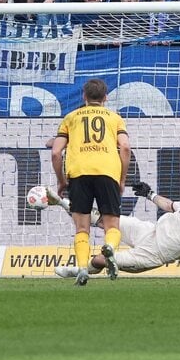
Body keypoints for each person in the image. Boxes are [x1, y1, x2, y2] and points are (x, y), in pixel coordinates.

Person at [51, 78, 132, 286]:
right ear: (105, 98)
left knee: (81, 228)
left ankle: (81, 268)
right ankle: (110, 249)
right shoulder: (115, 118)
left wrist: (61, 181)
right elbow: (125, 148)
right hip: (107, 172)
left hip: (78, 174)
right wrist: (121, 179)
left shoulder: (71, 117)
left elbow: (56, 152)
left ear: (84, 96)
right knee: (112, 224)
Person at [54, 183, 180, 277]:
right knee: (107, 220)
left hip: (154, 254)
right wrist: (149, 194)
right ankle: (61, 202)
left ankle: (78, 271)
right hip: (147, 231)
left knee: (99, 260)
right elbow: (168, 205)